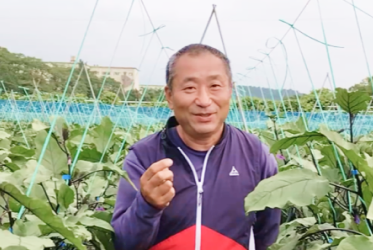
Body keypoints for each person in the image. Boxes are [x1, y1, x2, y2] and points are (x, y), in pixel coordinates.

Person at [111, 44, 281, 250]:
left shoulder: (255, 154)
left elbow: (268, 236)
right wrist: (147, 205)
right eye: (189, 88)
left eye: (215, 86)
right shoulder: (144, 156)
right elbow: (123, 243)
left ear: (230, 91)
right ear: (170, 96)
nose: (203, 100)